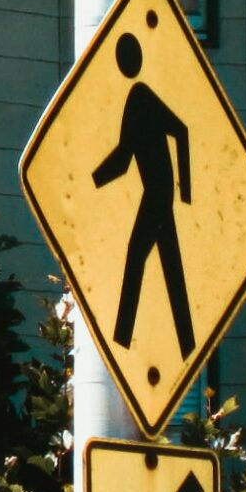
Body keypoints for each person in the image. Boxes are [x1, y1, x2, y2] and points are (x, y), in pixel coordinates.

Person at [91, 27, 195, 356]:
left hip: (158, 195)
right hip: (157, 194)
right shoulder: (134, 99)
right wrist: (93, 179)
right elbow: (123, 158)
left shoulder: (141, 96)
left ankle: (121, 340)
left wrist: (187, 190)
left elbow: (181, 129)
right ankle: (185, 342)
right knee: (171, 271)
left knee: (136, 259)